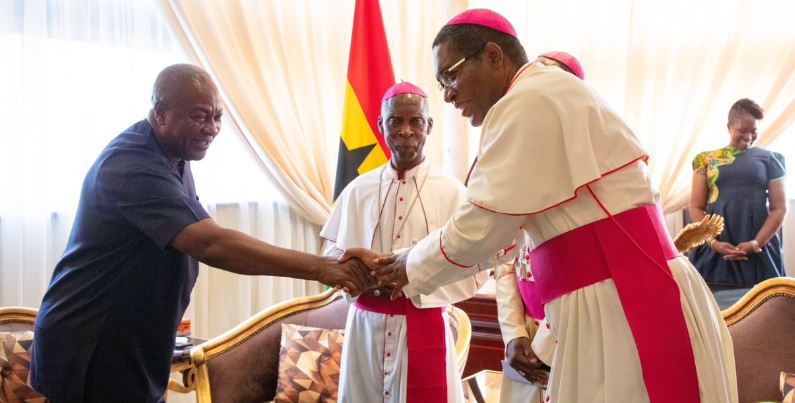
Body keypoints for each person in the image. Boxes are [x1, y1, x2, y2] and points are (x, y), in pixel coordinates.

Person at [347, 8, 737, 402]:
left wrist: (403, 267)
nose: (447, 94)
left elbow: (480, 230)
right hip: (617, 292)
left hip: (621, 300)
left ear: (493, 56)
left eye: (450, 75)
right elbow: (507, 241)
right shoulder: (543, 92)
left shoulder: (524, 102)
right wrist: (404, 262)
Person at [30, 64, 373, 403]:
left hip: (132, 344)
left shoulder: (174, 154)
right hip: (92, 345)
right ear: (161, 114)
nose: (212, 128)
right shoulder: (130, 165)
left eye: (217, 116)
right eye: (200, 117)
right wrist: (323, 267)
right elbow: (210, 243)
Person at [321, 82, 488, 403]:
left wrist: (414, 281)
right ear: (380, 124)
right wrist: (358, 279)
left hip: (423, 323)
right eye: (395, 121)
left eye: (416, 121)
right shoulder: (357, 190)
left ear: (430, 126)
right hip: (365, 327)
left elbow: (475, 269)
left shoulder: (453, 193)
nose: (406, 131)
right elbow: (332, 257)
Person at [495, 50, 584, 403]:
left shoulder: (589, 167)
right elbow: (505, 261)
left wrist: (544, 346)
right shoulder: (516, 161)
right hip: (526, 336)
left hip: (573, 335)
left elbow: (587, 275)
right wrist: (514, 334)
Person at [689, 98, 787, 291]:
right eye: (743, 130)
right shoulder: (705, 160)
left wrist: (755, 244)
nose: (749, 136)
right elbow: (696, 207)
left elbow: (779, 208)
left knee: (767, 304)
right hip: (713, 251)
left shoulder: (772, 160)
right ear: (729, 126)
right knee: (711, 306)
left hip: (760, 252)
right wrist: (713, 243)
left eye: (754, 131)